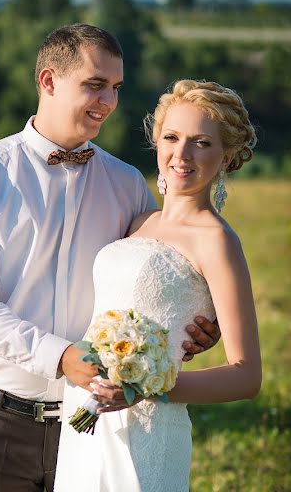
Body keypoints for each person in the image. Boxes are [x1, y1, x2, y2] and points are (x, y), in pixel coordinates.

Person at [0, 23, 220, 491]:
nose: (108, 102)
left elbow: (157, 277)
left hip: (97, 428)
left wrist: (193, 325)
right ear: (48, 81)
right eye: (94, 85)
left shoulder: (127, 184)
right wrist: (61, 356)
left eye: (116, 88)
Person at [54, 79, 261, 491]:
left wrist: (145, 390)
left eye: (201, 143)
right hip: (85, 414)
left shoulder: (217, 240)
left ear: (227, 156)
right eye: (172, 137)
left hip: (149, 428)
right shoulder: (139, 222)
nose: (181, 154)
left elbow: (246, 375)